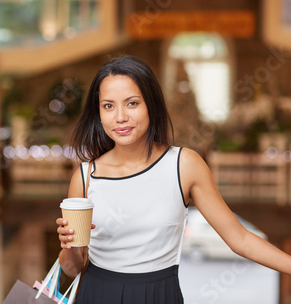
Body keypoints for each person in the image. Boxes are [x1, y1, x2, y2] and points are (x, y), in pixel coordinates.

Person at [56, 55, 291, 303]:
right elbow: (73, 267)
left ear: (151, 105)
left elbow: (240, 239)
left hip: (159, 295)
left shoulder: (184, 165)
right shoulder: (85, 178)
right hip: (98, 295)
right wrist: (69, 246)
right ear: (99, 113)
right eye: (108, 106)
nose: (120, 117)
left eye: (132, 103)